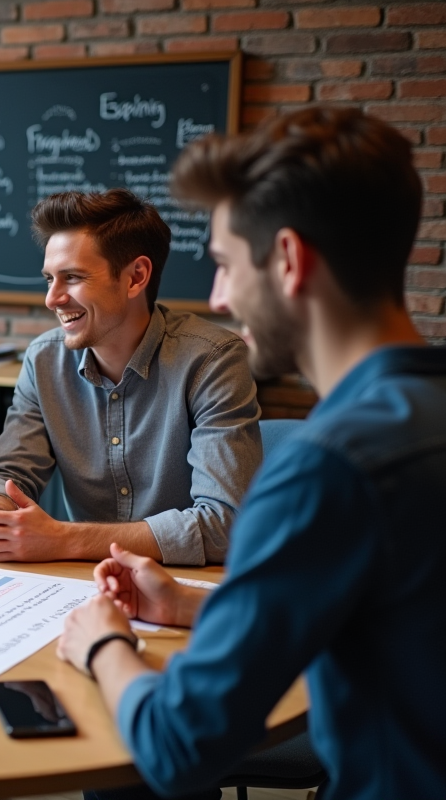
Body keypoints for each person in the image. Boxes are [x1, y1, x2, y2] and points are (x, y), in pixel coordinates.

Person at [57, 107, 446, 800]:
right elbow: (381, 614)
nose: (218, 297)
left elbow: (178, 746)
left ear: (290, 261)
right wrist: (195, 604)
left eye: (227, 266)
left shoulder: (325, 471)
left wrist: (101, 644)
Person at [0, 188, 262, 566]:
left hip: (184, 591)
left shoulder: (212, 361)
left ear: (135, 277)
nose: (51, 298)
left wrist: (65, 539)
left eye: (71, 277)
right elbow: (3, 474)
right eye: (48, 279)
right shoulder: (43, 360)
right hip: (79, 585)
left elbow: (225, 526)